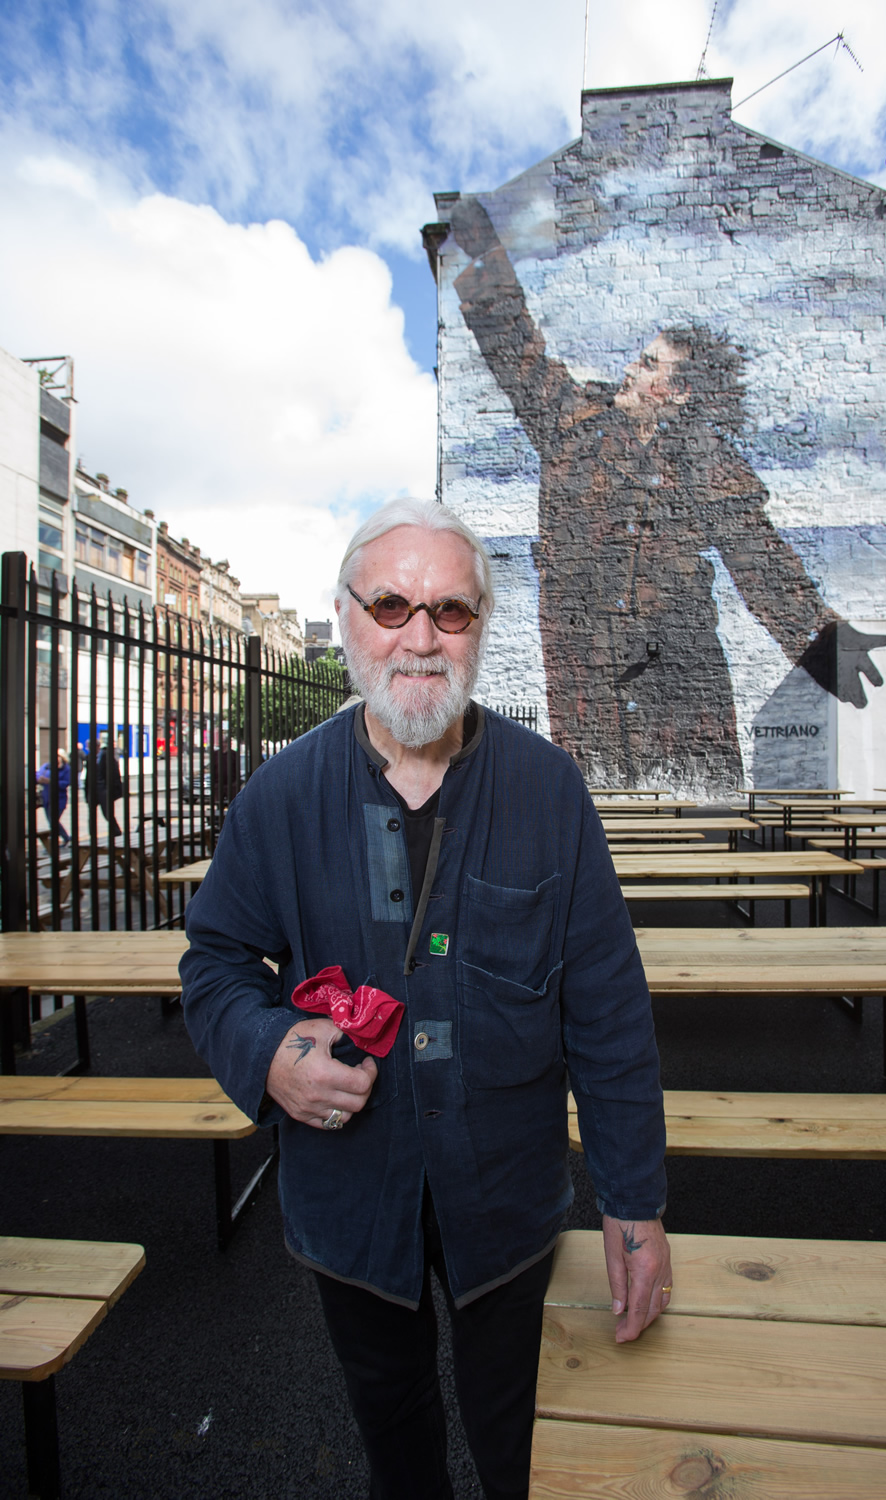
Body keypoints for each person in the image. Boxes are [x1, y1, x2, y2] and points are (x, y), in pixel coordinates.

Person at [180, 498, 671, 1500]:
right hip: (353, 1209)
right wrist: (269, 1053)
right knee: (395, 1443)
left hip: (507, 1202)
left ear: (480, 628)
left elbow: (611, 1016)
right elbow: (215, 966)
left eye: (450, 611)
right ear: (348, 615)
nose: (420, 636)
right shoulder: (280, 798)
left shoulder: (549, 792)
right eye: (393, 604)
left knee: (519, 1447)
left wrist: (636, 1210)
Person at [449, 195, 886, 791]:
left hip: (681, 688)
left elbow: (756, 557)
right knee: (599, 827)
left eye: (650, 364)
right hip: (591, 686)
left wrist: (820, 638)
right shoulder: (569, 423)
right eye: (639, 357)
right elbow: (516, 349)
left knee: (698, 819)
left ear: (677, 393)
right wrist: (488, 257)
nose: (632, 368)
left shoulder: (704, 457)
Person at [85, 733, 123, 835]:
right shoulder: (89, 757)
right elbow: (87, 777)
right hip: (93, 789)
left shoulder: (106, 755)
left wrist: (116, 788)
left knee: (107, 813)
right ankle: (92, 834)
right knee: (91, 813)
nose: (88, 748)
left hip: (104, 789)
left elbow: (115, 772)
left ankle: (116, 831)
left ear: (98, 746)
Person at [36, 747, 72, 845]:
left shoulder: (66, 769)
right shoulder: (47, 766)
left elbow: (66, 783)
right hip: (46, 798)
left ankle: (56, 841)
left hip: (59, 799)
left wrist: (51, 781)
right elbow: (37, 774)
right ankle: (65, 838)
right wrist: (39, 779)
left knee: (53, 821)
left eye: (58, 756)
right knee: (51, 821)